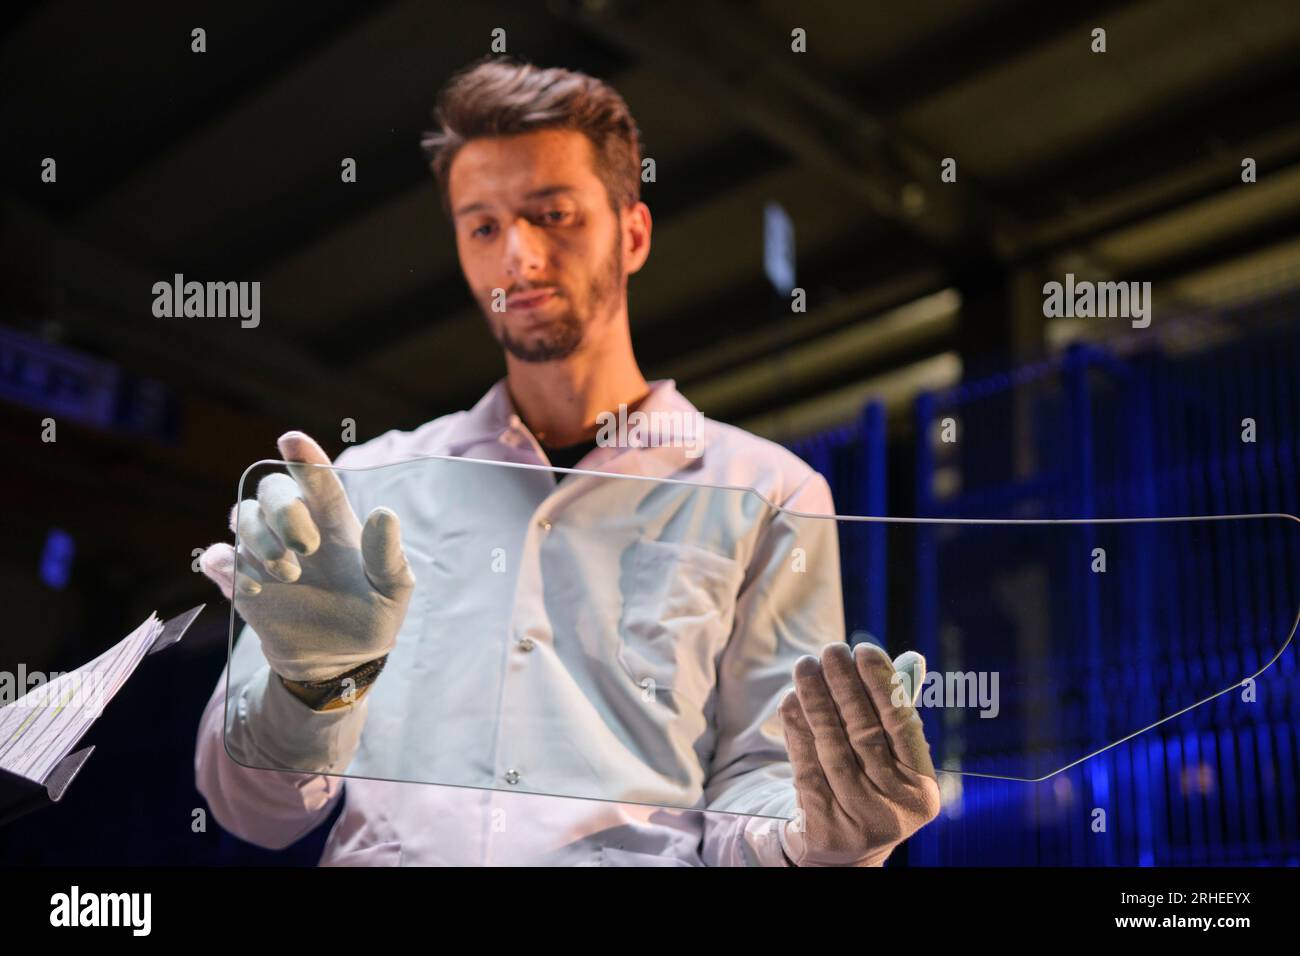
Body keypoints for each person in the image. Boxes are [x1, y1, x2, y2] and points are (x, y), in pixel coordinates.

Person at [195, 56, 939, 866]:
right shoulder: (369, 485)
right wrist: (311, 689)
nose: (517, 255)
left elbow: (758, 780)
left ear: (633, 233)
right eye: (483, 226)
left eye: (552, 214)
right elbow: (251, 812)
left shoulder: (766, 494)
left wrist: (818, 836)